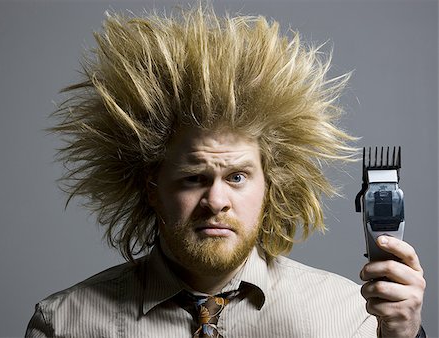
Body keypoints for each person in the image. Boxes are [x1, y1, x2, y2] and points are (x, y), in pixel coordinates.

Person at [26, 5, 426, 338]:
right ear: (152, 188)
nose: (216, 202)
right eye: (193, 177)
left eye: (237, 177)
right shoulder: (63, 323)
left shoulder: (352, 318)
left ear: (270, 187)